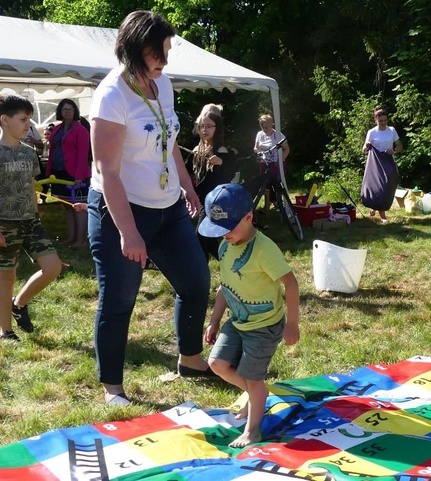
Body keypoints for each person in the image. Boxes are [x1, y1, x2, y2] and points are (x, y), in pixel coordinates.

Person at [87, 10, 214, 406]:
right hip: (120, 211)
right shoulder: (111, 95)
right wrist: (128, 232)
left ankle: (190, 359)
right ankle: (113, 389)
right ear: (135, 49)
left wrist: (187, 186)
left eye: (166, 50)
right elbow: (106, 170)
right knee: (120, 298)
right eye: (158, 51)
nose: (165, 59)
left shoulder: (164, 84)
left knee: (196, 282)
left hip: (169, 206)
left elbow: (170, 140)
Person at [200, 183, 300, 448]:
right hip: (237, 322)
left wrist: (292, 323)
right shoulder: (224, 247)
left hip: (264, 326)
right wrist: (214, 320)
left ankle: (252, 430)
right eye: (218, 229)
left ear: (249, 217)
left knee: (254, 378)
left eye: (228, 228)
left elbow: (290, 283)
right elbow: (224, 286)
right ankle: (256, 394)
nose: (223, 235)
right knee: (217, 364)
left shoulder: (264, 250)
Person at [0, 94, 63, 341]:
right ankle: (6, 332)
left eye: (29, 120)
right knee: (7, 276)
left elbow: (31, 186)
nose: (28, 125)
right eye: (23, 119)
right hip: (2, 222)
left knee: (53, 267)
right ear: (4, 120)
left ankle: (19, 304)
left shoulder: (28, 152)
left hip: (30, 221)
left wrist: (36, 214)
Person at [190, 108, 236, 260]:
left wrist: (220, 162)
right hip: (204, 200)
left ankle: (205, 270)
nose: (205, 129)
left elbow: (230, 172)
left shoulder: (220, 149)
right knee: (207, 238)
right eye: (202, 126)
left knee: (201, 235)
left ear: (217, 128)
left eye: (209, 126)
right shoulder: (198, 149)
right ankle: (227, 263)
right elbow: (188, 172)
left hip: (217, 201)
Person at [46, 99, 91, 247]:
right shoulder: (57, 129)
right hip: (59, 173)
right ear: (60, 111)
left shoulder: (81, 130)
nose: (67, 112)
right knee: (67, 206)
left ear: (75, 111)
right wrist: (48, 172)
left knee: (79, 207)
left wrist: (78, 176)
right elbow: (52, 150)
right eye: (65, 109)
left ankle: (81, 240)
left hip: (77, 175)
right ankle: (71, 238)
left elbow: (83, 154)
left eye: (70, 109)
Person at [361, 107, 402, 224]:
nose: (383, 123)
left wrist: (393, 151)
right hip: (375, 162)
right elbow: (364, 148)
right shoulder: (372, 132)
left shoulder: (392, 130)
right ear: (376, 121)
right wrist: (367, 147)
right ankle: (382, 215)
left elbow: (399, 146)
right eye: (380, 121)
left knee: (389, 183)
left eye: (385, 120)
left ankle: (375, 207)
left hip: (388, 160)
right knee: (377, 186)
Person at [253, 114, 289, 214]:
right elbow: (256, 147)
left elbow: (287, 149)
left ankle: (276, 202)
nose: (264, 129)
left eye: (266, 127)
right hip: (264, 162)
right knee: (265, 184)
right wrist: (258, 152)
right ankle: (271, 204)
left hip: (276, 164)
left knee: (272, 182)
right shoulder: (259, 134)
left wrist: (280, 160)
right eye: (262, 126)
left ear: (271, 124)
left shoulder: (278, 135)